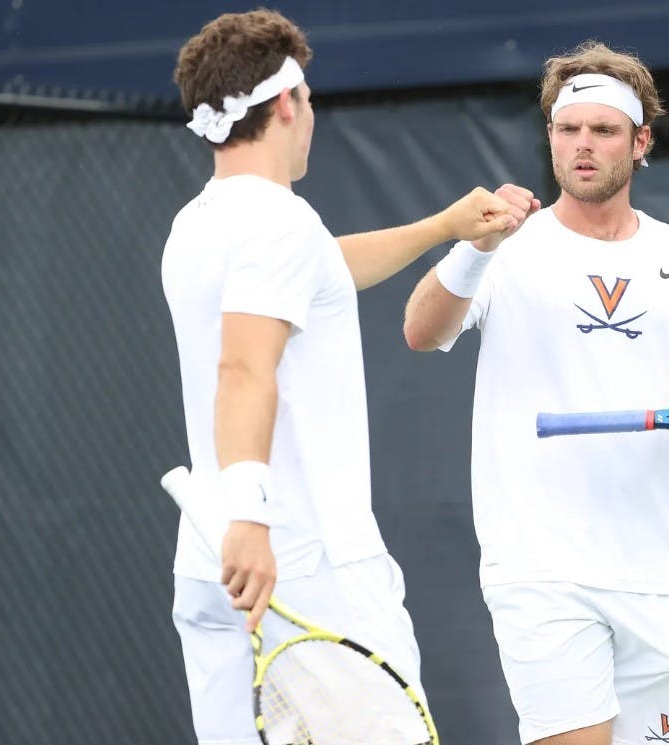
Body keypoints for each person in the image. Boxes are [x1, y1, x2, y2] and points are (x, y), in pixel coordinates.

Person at [162, 9, 535, 744]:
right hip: (300, 563)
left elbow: (323, 269)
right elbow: (244, 366)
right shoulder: (278, 223)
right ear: (287, 105)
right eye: (310, 104)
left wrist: (444, 227)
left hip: (212, 565)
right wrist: (251, 515)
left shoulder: (199, 224)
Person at [403, 40, 669, 745]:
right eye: (568, 129)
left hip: (654, 574)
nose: (582, 145)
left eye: (602, 130)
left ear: (640, 140)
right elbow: (419, 329)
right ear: (551, 139)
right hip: (540, 568)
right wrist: (474, 247)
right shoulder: (506, 245)